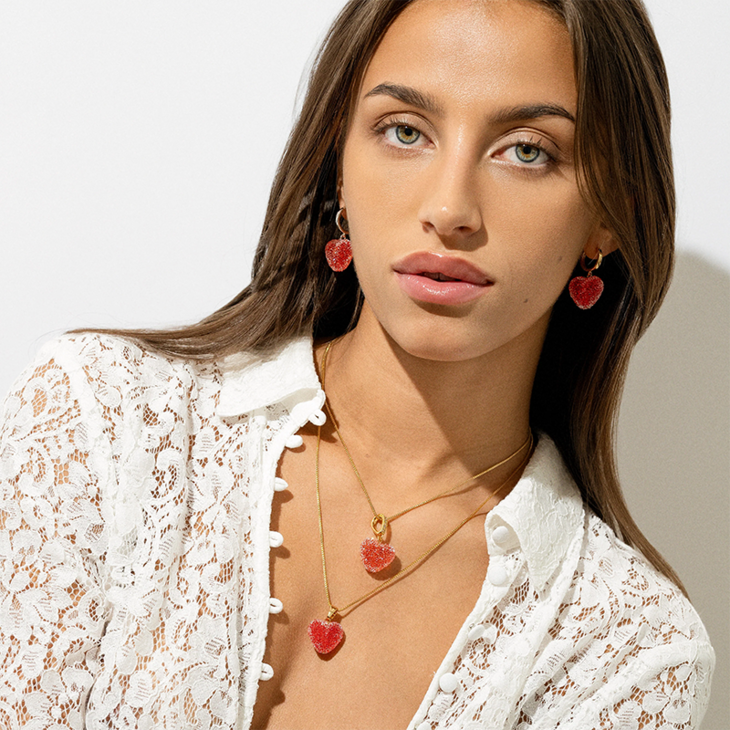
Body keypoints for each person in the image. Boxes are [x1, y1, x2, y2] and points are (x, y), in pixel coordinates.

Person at [0, 0, 715, 727]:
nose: (449, 207)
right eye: (405, 131)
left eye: (526, 150)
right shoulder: (100, 424)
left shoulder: (627, 652)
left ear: (608, 217)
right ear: (339, 166)